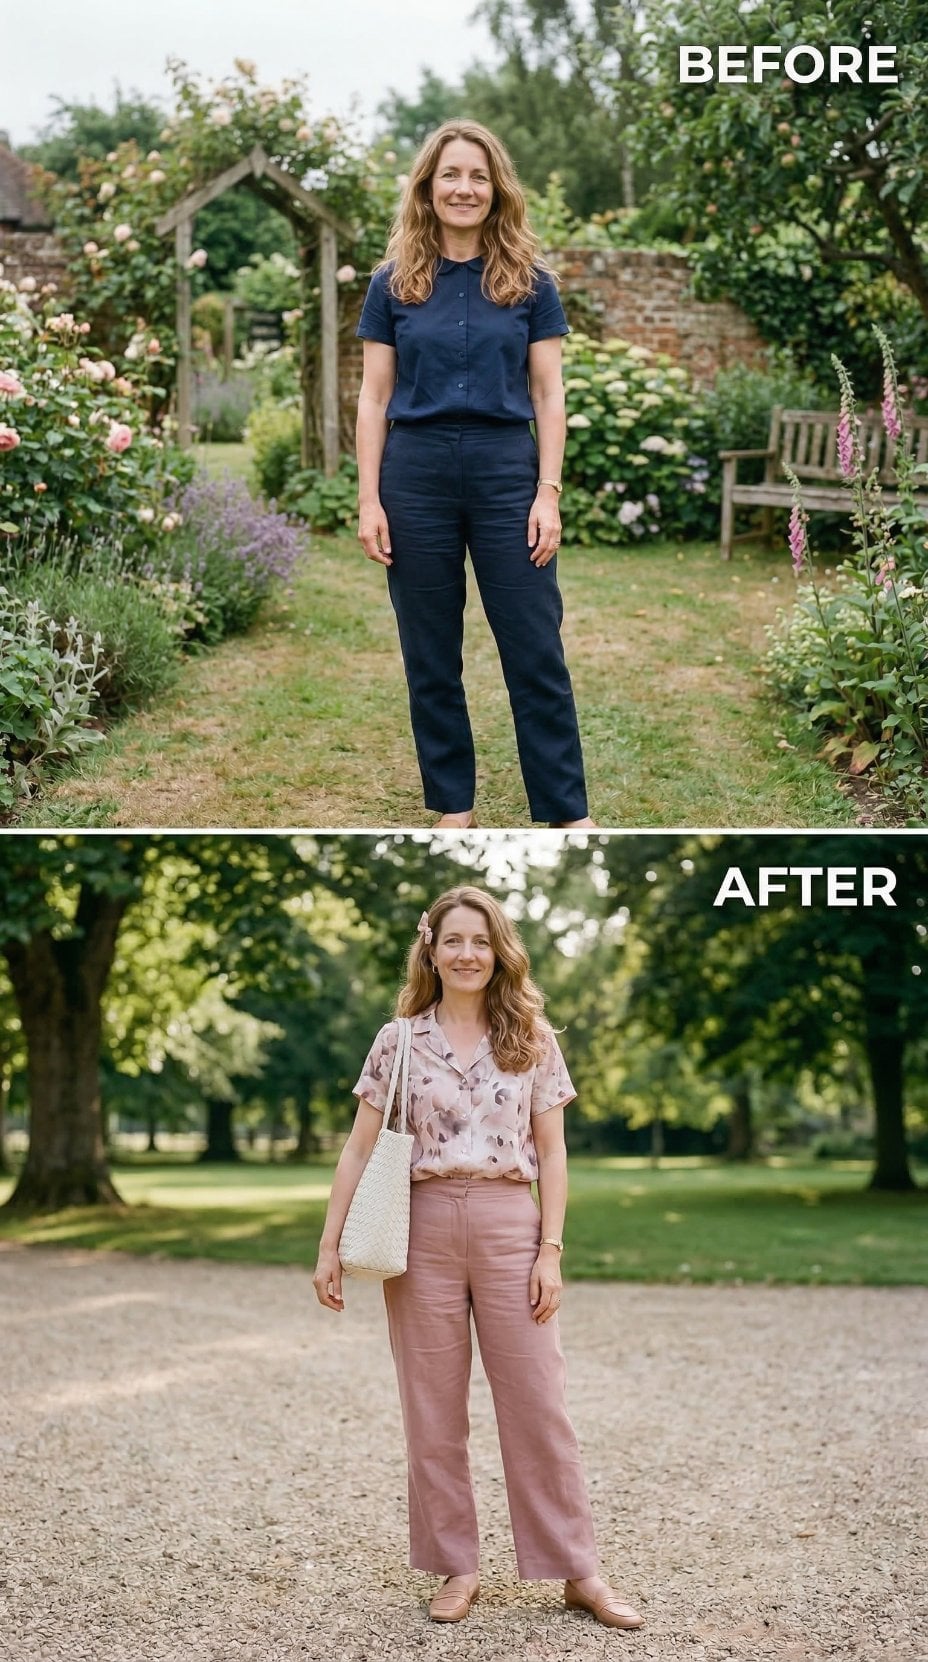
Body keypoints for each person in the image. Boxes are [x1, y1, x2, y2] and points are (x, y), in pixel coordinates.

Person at [312, 885, 643, 1629]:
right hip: (422, 1226)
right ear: (431, 950)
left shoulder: (531, 1037)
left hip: (508, 1225)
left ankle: (578, 1570)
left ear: (500, 952)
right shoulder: (398, 1040)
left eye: (481, 941)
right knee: (432, 1408)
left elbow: (553, 1154)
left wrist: (550, 1250)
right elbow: (358, 1147)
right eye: (454, 940)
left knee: (539, 1403)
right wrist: (330, 1245)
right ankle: (457, 1566)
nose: (468, 954)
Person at [355, 121, 595, 831]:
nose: (465, 188)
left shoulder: (531, 282)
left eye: (479, 176)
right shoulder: (392, 284)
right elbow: (373, 396)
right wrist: (369, 498)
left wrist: (548, 493)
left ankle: (566, 810)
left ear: (497, 190)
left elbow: (548, 392)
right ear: (428, 187)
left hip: (505, 472)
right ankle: (453, 804)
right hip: (415, 475)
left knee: (535, 646)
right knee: (430, 651)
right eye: (451, 175)